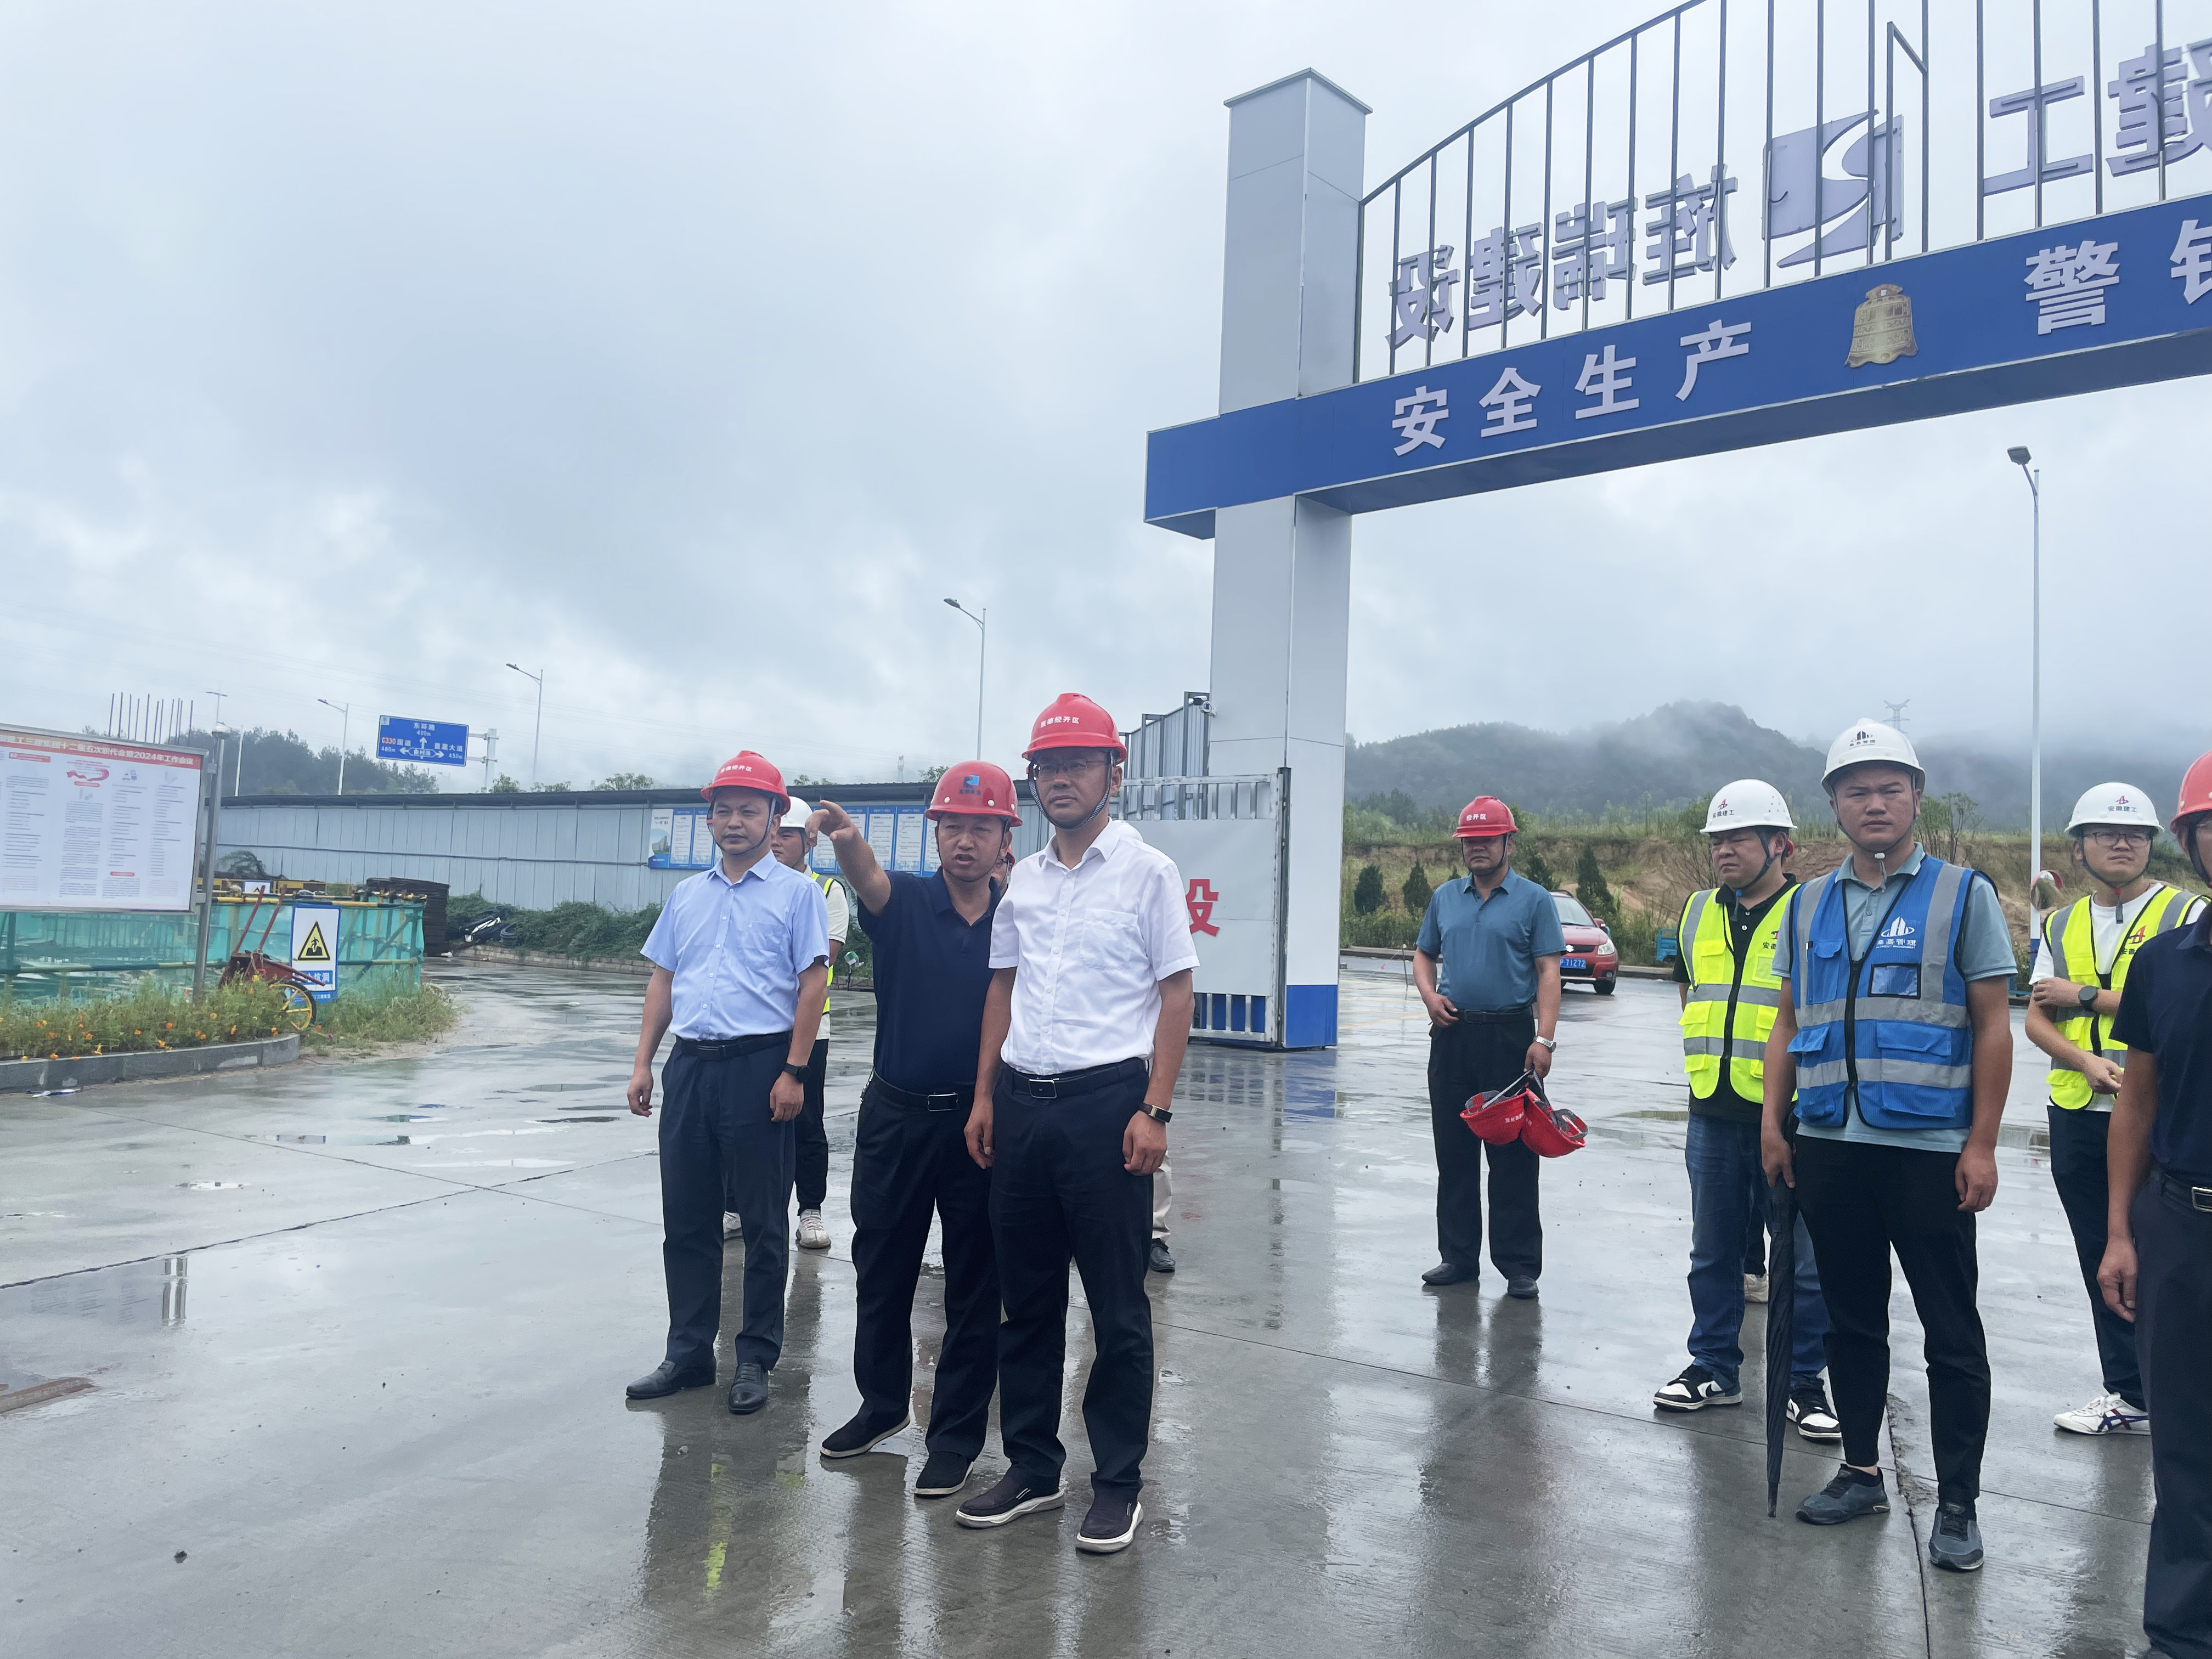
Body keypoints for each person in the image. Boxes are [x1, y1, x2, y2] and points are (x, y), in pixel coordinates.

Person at [1762, 719, 2015, 1572]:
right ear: (1834, 805)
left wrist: (1982, 1145)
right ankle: (1861, 1471)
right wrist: (1774, 1124)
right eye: (1857, 791)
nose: (1874, 804)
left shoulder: (1962, 895)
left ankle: (1959, 1503)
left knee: (1951, 1331)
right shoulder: (1806, 903)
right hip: (1830, 1144)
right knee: (1851, 1321)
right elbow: (1788, 1022)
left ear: (1916, 798)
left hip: (1929, 1151)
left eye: (1890, 789)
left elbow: (1993, 1025)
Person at [955, 692, 1197, 1556]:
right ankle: (1032, 1466)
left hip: (1108, 1108)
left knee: (1117, 1307)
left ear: (1113, 774)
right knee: (1025, 1302)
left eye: (1077, 765)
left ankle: (1118, 1481)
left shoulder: (1148, 873)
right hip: (1023, 1106)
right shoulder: (1021, 880)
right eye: (1047, 767)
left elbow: (1177, 994)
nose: (1059, 780)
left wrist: (1154, 1108)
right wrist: (985, 1095)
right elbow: (1003, 988)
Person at [806, 765, 1019, 1499]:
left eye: (981, 827)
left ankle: (955, 1435)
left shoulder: (1019, 917)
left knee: (975, 1282)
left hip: (978, 1123)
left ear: (1004, 838)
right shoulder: (904, 901)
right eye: (952, 825)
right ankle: (882, 1405)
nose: (965, 840)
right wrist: (845, 837)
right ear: (936, 834)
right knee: (883, 1267)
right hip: (895, 1117)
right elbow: (867, 877)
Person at [625, 751, 829, 1416]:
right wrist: (644, 1062)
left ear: (775, 819)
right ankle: (688, 1354)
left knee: (765, 1222)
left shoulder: (798, 894)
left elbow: (813, 984)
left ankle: (754, 1358)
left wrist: (794, 1071)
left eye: (749, 810)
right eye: (724, 811)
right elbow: (663, 980)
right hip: (690, 1067)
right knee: (687, 1218)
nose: (734, 821)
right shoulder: (688, 895)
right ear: (709, 819)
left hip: (759, 1067)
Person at [1652, 781, 1838, 1444]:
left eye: (1737, 838)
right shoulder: (1697, 911)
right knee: (1713, 1250)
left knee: (1803, 1261)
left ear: (1779, 844)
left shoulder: (1812, 912)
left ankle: (1803, 1382)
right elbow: (1690, 991)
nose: (1724, 851)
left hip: (1793, 1118)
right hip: (1713, 1109)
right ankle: (1713, 1367)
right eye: (1717, 841)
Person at [2027, 783, 2202, 1438]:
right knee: (2101, 1251)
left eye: (2134, 834)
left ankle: (2176, 1388)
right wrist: (2084, 1062)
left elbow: (2175, 1001)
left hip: (2160, 1112)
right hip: (2078, 1111)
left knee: (2168, 1257)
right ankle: (2129, 1391)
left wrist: (2085, 995)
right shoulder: (2059, 924)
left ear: (2156, 844)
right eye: (2104, 833)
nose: (2121, 844)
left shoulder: (2186, 912)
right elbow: (2036, 1018)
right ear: (2079, 848)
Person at [2097, 748, 2212, 1659]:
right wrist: (2118, 1232)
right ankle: (2180, 1634)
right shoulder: (2164, 963)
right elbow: (2135, 1104)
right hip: (2180, 1225)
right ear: (2191, 840)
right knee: (2183, 1444)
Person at [1412, 796, 1564, 1297]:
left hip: (1510, 1039)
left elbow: (1548, 971)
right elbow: (1423, 955)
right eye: (1469, 841)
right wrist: (1430, 996)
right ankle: (1457, 1258)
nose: (1477, 848)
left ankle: (1519, 1265)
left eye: (1487, 839)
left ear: (1508, 843)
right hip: (1453, 1036)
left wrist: (1544, 1038)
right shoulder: (1445, 898)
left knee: (1513, 1155)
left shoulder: (1533, 900)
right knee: (1454, 1152)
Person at [749, 795, 847, 1254]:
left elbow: (822, 960)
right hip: (756, 1027)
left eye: (789, 835)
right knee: (748, 1120)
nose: (779, 842)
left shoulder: (827, 891)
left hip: (809, 1029)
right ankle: (736, 1204)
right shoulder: (751, 886)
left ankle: (810, 1210)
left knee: (806, 1122)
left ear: (808, 841)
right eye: (776, 832)